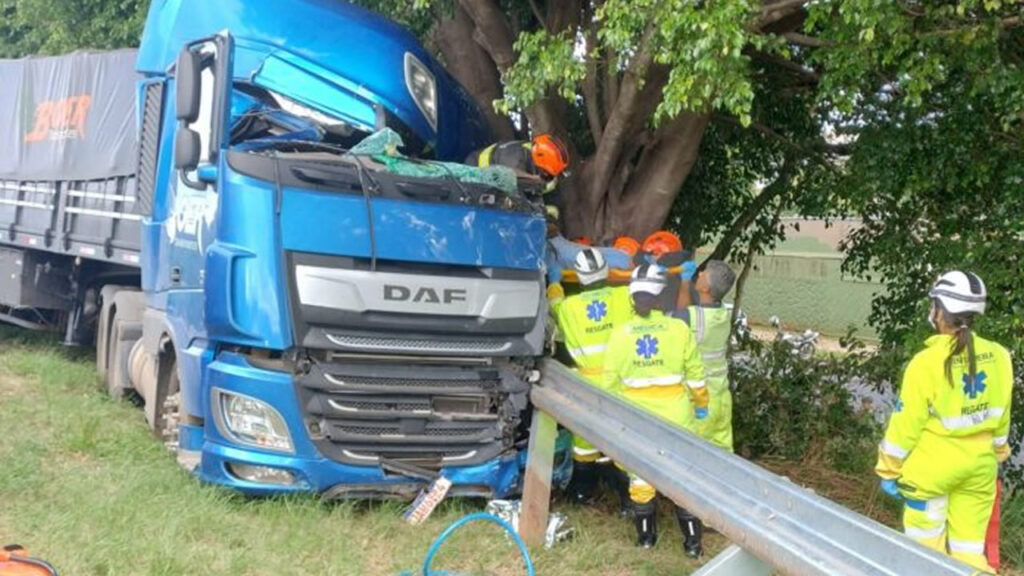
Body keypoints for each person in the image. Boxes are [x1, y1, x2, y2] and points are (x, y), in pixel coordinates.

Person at [875, 271, 1013, 573]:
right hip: (980, 470)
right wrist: (999, 454)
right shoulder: (1000, 356)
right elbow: (1001, 419)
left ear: (939, 310)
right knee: (969, 553)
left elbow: (904, 427)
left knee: (924, 557)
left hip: (932, 473)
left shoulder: (926, 363)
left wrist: (888, 469)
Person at [603, 264, 709, 555]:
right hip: (677, 417)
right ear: (662, 297)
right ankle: (692, 545)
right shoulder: (678, 329)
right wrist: (701, 406)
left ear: (633, 297)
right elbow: (697, 376)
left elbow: (609, 384)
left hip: (636, 420)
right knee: (683, 478)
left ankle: (646, 540)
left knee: (640, 477)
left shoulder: (620, 335)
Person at [549, 248, 633, 505]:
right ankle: (627, 498)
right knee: (620, 437)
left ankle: (581, 492)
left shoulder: (569, 307)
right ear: (606, 271)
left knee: (584, 441)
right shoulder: (623, 296)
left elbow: (554, 303)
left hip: (586, 383)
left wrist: (553, 282)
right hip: (619, 382)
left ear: (578, 276)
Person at [677, 260, 737, 452]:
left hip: (702, 401)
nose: (700, 272)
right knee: (723, 455)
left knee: (695, 454)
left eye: (703, 272)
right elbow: (691, 311)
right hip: (722, 399)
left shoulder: (694, 318)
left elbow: (680, 317)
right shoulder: (723, 314)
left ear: (704, 287)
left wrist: (683, 281)